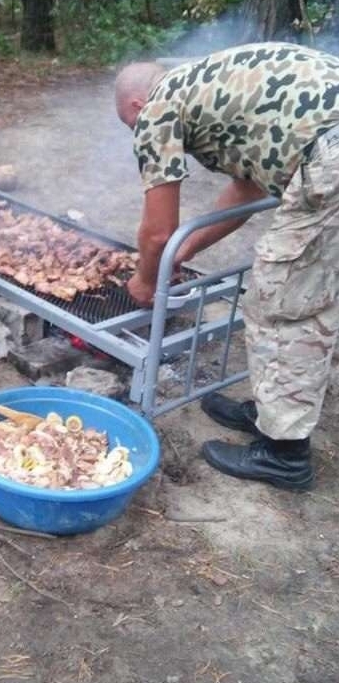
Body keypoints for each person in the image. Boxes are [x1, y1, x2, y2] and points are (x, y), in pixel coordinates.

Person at [115, 42, 339, 491]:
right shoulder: (213, 81)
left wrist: (144, 278)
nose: (136, 132)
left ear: (137, 104)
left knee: (281, 305)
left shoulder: (156, 110)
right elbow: (247, 192)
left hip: (330, 162)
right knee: (311, 291)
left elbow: (157, 231)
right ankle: (274, 414)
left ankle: (285, 456)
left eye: (129, 124)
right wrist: (185, 252)